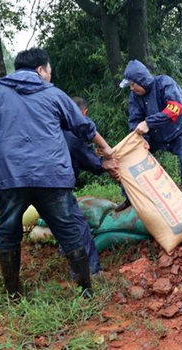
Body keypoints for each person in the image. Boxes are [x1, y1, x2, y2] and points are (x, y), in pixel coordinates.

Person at [0, 47, 115, 299]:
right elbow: (83, 127)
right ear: (40, 70)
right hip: (52, 176)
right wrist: (106, 149)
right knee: (69, 230)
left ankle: (14, 294)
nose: (50, 76)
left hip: (10, 176)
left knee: (9, 231)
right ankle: (85, 290)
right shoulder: (54, 94)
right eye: (49, 71)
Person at [119, 60, 182, 209]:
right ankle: (130, 200)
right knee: (130, 157)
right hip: (158, 135)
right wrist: (142, 139)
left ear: (141, 80)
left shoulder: (165, 83)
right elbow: (135, 121)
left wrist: (148, 123)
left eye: (133, 84)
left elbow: (175, 109)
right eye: (129, 86)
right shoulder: (134, 97)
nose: (131, 88)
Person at [61, 96, 121, 276]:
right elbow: (78, 150)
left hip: (24, 179)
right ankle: (89, 272)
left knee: (59, 219)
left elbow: (80, 155)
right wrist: (103, 163)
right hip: (54, 184)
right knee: (77, 225)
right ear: (84, 113)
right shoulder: (71, 130)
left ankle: (65, 250)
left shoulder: (54, 122)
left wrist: (99, 162)